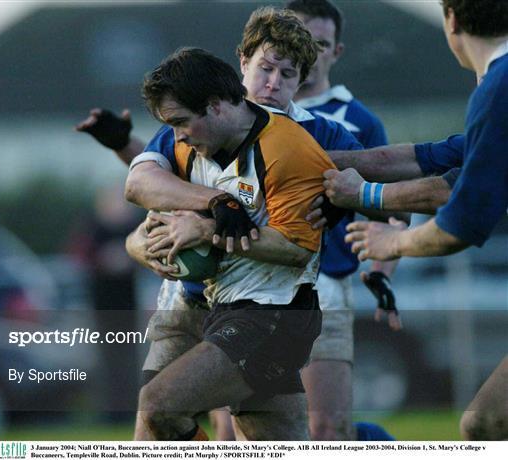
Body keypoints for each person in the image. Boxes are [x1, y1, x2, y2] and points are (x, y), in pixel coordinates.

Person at [78, 7, 398, 440]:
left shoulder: (325, 133)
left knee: (324, 430)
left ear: (307, 73)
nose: (273, 82)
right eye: (265, 67)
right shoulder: (205, 111)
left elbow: (388, 195)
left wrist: (352, 202)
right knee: (163, 425)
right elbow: (151, 179)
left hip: (290, 298)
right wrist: (149, 240)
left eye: (287, 73)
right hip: (195, 297)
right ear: (242, 61)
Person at [128, 46, 340, 441]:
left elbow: (298, 249)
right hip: (223, 309)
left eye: (180, 123)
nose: (176, 137)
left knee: (159, 408)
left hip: (274, 315)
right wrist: (149, 241)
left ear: (216, 107)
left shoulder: (287, 148)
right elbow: (136, 187)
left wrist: (208, 233)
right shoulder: (188, 143)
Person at [342, 0, 508, 441]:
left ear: (450, 18)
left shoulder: (499, 85)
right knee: (486, 424)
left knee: (486, 424)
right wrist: (317, 161)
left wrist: (389, 241)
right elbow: (433, 160)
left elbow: (461, 219)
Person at [280, 0, 397, 440]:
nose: (306, 54)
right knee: (237, 434)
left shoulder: (358, 121)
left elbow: (390, 209)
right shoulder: (244, 111)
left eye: (319, 43)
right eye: (296, 42)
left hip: (322, 286)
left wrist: (382, 273)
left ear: (337, 51)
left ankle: (372, 442)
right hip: (243, 282)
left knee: (326, 428)